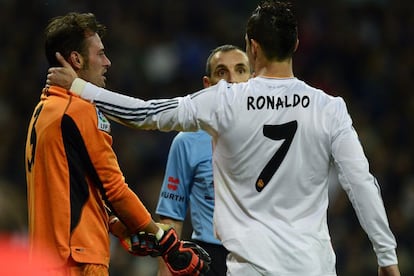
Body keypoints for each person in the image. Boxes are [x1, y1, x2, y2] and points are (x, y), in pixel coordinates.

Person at [46, 1, 401, 275]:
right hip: (314, 266)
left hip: (249, 267)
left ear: (252, 47)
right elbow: (361, 183)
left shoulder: (226, 100)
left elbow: (145, 114)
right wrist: (387, 258)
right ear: (295, 44)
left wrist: (77, 86)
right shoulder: (330, 107)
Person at [25, 12, 209, 276]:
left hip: (43, 261)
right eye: (99, 53)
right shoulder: (78, 111)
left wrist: (117, 225)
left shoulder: (42, 111)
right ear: (77, 59)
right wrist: (163, 238)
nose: (107, 62)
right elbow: (114, 188)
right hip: (79, 257)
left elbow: (74, 189)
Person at [156, 44, 251, 276]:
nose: (232, 80)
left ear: (253, 80)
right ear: (208, 85)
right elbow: (171, 219)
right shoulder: (187, 141)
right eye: (222, 72)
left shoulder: (275, 136)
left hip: (262, 256)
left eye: (240, 70)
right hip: (211, 259)